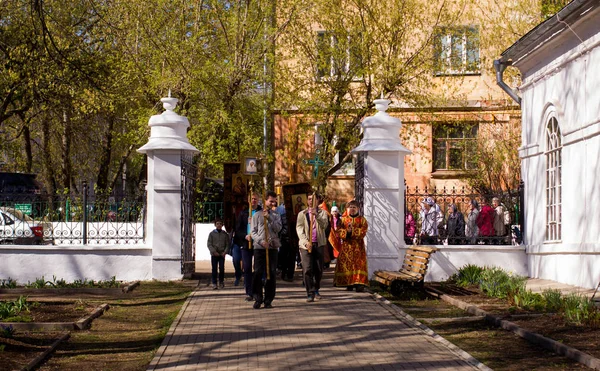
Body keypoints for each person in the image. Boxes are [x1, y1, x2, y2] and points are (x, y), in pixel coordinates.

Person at [251, 191, 282, 309]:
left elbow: (278, 228)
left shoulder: (276, 215)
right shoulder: (257, 215)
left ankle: (268, 300)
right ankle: (258, 298)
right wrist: (260, 241)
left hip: (272, 247)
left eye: (274, 201)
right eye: (271, 201)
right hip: (260, 248)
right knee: (258, 272)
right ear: (265, 201)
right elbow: (253, 232)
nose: (273, 203)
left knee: (271, 273)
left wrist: (269, 218)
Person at [296, 192, 329, 302]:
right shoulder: (302, 214)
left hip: (318, 243)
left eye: (314, 199)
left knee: (319, 269)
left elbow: (324, 225)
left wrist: (317, 215)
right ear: (307, 201)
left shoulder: (323, 213)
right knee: (307, 269)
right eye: (309, 199)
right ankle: (310, 292)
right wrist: (305, 242)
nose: (311, 201)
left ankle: (316, 288)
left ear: (318, 201)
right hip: (306, 245)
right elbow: (299, 229)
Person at [334, 200, 369, 292]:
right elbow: (338, 230)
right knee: (347, 265)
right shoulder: (343, 220)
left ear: (358, 209)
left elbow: (363, 231)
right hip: (347, 246)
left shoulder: (362, 220)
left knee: (359, 265)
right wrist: (347, 232)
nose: (352, 209)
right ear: (347, 209)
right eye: (350, 207)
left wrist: (353, 231)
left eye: (354, 207)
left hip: (358, 247)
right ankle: (348, 283)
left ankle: (359, 284)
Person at [232, 192, 261, 301]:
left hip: (258, 243)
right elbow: (238, 230)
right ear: (248, 200)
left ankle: (257, 290)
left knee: (258, 268)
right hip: (246, 243)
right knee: (247, 267)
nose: (254, 201)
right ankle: (249, 292)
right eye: (252, 199)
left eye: (255, 199)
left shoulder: (261, 212)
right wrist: (245, 236)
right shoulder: (243, 213)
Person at [207, 218, 230, 289]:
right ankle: (214, 283)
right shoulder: (211, 234)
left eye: (220, 224)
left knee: (222, 268)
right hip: (214, 254)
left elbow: (227, 244)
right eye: (217, 224)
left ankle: (221, 282)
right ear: (215, 225)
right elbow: (209, 244)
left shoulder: (225, 234)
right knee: (214, 269)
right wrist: (214, 251)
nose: (219, 225)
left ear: (222, 225)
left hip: (222, 254)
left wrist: (225, 252)